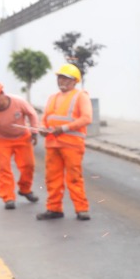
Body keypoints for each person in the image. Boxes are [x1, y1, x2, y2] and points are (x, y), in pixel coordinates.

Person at [37, 63, 93, 221]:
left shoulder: (81, 96)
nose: (62, 81)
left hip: (71, 144)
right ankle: (54, 209)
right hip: (52, 144)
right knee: (52, 178)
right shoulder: (52, 98)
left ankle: (81, 209)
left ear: (75, 81)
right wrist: (42, 128)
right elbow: (46, 118)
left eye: (66, 78)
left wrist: (63, 128)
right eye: (60, 78)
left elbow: (87, 118)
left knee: (74, 177)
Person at [0, 79, 41, 210]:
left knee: (28, 165)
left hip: (23, 138)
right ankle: (8, 197)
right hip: (2, 140)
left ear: (2, 93)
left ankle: (25, 189)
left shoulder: (18, 101)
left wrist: (34, 132)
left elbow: (32, 114)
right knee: (3, 169)